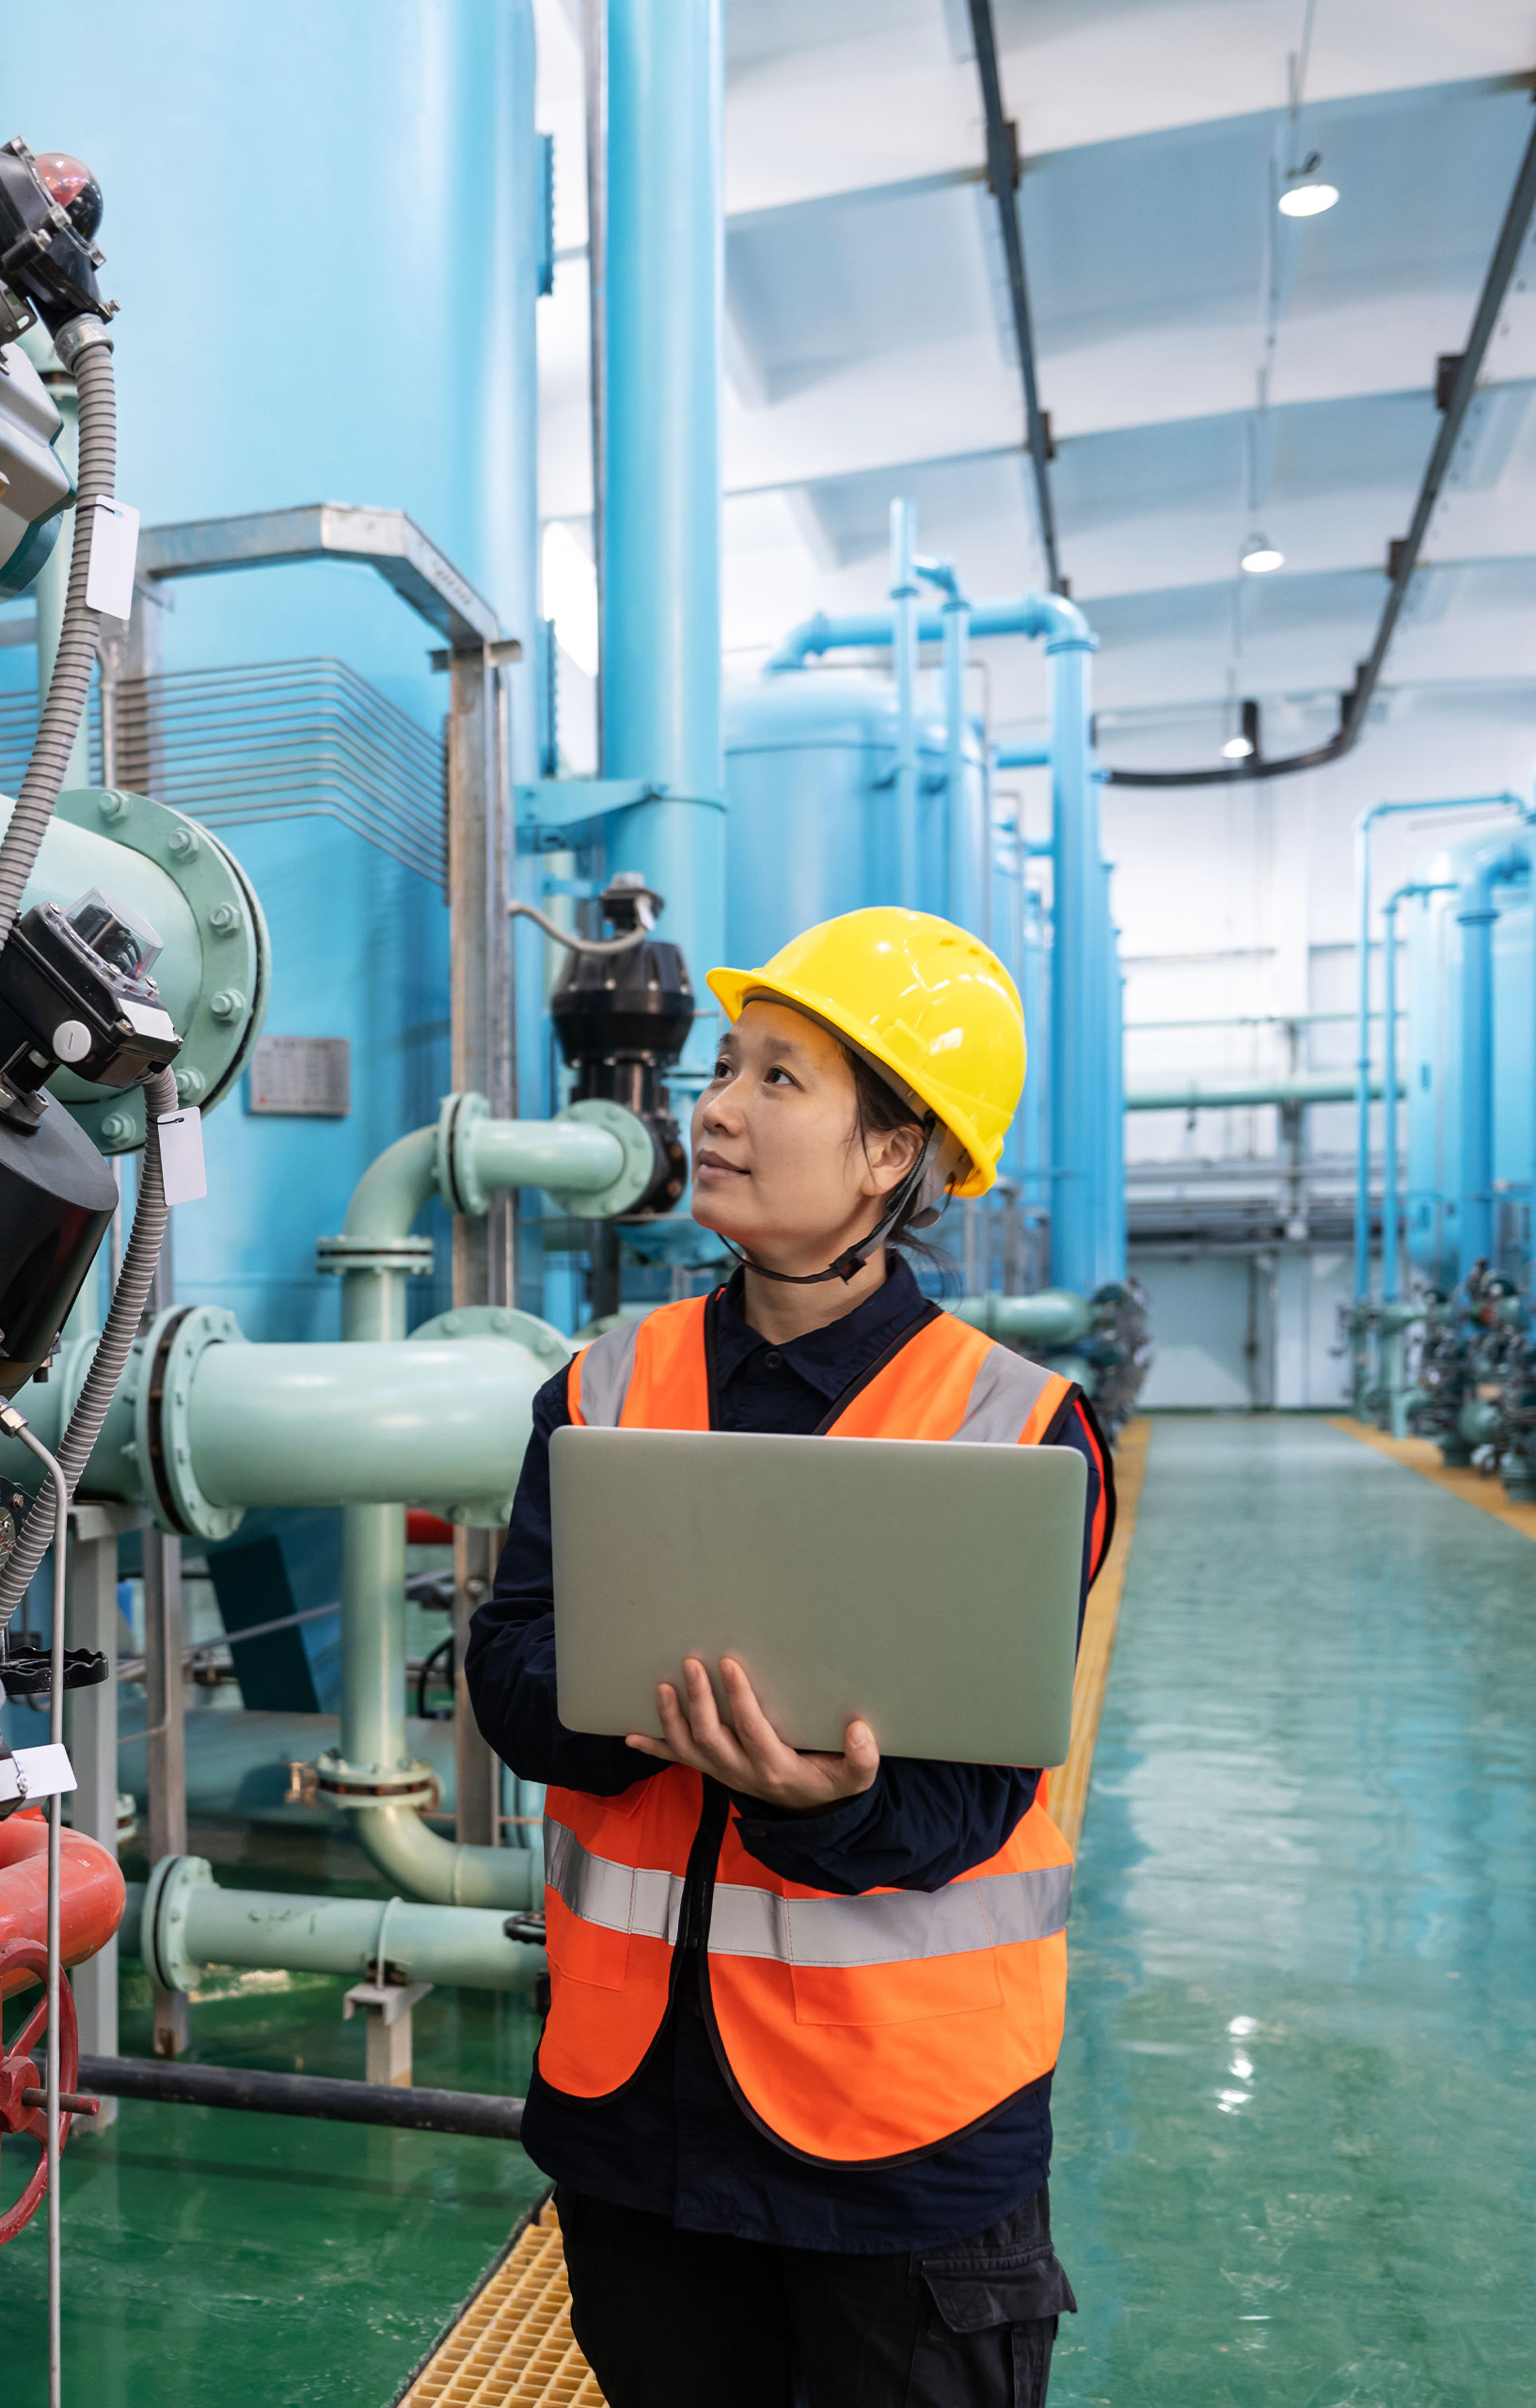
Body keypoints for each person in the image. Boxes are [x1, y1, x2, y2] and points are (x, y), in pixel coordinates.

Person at [466, 906, 1116, 2408]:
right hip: (638, 2118)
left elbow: (975, 1794)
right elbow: (510, 1668)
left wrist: (820, 1802)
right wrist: (638, 1715)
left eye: (779, 1080)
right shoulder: (611, 1381)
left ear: (895, 1156)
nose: (715, 1110)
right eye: (726, 1068)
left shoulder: (1013, 1430)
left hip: (900, 2140)